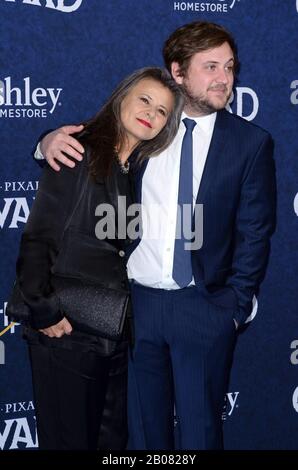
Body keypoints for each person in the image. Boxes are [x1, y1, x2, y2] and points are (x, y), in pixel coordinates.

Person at [36, 21, 276, 450]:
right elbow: (83, 141)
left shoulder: (250, 143)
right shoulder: (144, 130)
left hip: (203, 307)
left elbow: (255, 232)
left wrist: (234, 307)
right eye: (210, 67)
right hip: (135, 308)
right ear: (178, 73)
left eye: (230, 67)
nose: (225, 78)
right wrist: (45, 141)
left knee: (202, 433)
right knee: (145, 434)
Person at [15, 66, 184, 450]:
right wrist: (44, 311)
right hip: (66, 331)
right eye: (144, 100)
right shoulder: (80, 151)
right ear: (121, 97)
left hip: (113, 332)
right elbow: (39, 238)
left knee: (110, 443)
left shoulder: (136, 170)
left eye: (161, 111)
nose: (151, 113)